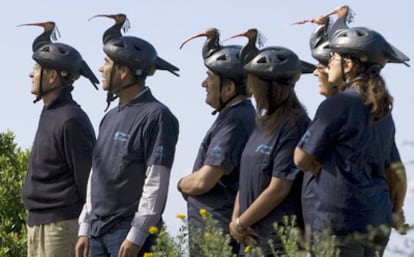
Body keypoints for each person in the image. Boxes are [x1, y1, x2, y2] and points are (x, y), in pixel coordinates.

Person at [294, 26, 409, 257]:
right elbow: (396, 174)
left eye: (333, 58)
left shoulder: (337, 104)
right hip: (377, 222)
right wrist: (395, 211)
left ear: (348, 65)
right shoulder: (383, 111)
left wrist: (321, 166)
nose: (329, 64)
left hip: (338, 223)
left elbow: (301, 158)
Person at [75, 14, 179, 257]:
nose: (100, 68)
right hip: (96, 233)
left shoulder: (157, 116)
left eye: (106, 62)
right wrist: (84, 226)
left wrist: (137, 234)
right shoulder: (109, 117)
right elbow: (96, 175)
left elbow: (156, 180)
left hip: (126, 234)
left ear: (123, 71)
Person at [21, 21, 98, 257]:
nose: (31, 73)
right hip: (38, 223)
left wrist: (85, 230)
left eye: (37, 68)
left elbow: (89, 183)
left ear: (53, 76)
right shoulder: (51, 113)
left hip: (61, 226)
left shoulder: (71, 119)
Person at [229, 45, 311, 256]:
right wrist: (236, 219)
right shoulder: (262, 122)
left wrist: (240, 223)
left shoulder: (294, 124)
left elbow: (280, 187)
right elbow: (247, 176)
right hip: (249, 239)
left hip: (275, 242)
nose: (251, 90)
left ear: (269, 86)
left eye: (255, 83)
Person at [177, 38, 256, 255]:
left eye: (210, 78)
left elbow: (204, 180)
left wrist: (181, 184)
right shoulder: (237, 115)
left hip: (215, 233)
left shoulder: (235, 120)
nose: (204, 84)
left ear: (229, 87)